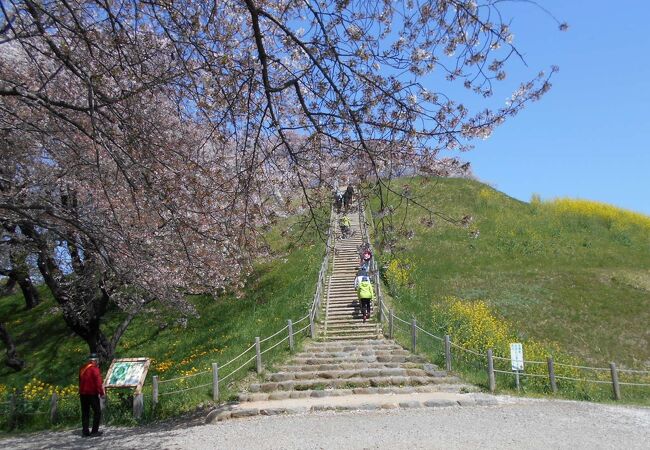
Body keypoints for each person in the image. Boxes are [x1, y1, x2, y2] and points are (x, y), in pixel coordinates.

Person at [79, 353, 105, 437]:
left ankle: (85, 431)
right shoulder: (95, 369)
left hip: (83, 393)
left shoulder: (83, 368)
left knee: (85, 412)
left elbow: (80, 380)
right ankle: (94, 431)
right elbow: (98, 382)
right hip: (92, 393)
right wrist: (101, 393)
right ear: (95, 360)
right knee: (97, 411)